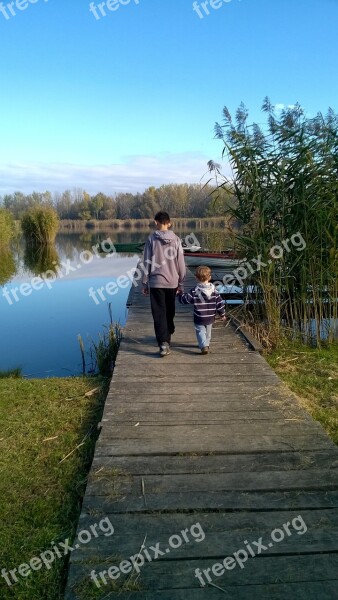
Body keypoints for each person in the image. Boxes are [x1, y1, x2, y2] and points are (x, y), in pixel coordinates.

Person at [141, 211, 186, 357]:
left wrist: (144, 282)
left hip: (155, 282)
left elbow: (146, 261)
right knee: (169, 310)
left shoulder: (151, 239)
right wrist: (181, 282)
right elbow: (181, 263)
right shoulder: (176, 239)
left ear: (156, 222)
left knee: (159, 313)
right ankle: (166, 337)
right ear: (169, 223)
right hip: (172, 282)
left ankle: (164, 342)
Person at [177, 265, 226, 354]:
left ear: (196, 278)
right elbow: (219, 303)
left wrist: (179, 294)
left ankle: (203, 346)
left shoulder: (195, 291)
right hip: (211, 316)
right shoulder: (215, 291)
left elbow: (185, 300)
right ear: (210, 277)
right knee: (208, 333)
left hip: (199, 316)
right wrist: (222, 314)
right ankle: (206, 344)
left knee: (200, 331)